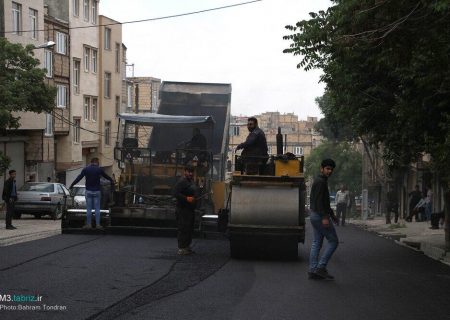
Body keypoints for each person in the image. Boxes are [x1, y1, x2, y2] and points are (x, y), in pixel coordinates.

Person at [308, 159, 338, 280]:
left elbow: (325, 202)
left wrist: (332, 215)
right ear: (322, 168)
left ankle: (313, 270)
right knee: (334, 241)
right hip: (319, 216)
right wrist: (325, 217)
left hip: (315, 215)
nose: (329, 171)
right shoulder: (321, 182)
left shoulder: (320, 180)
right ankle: (321, 267)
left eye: (331, 169)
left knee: (317, 242)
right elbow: (320, 202)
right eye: (327, 169)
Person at [69, 158, 115, 229]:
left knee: (89, 209)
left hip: (89, 191)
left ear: (91, 162)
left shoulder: (86, 169)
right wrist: (112, 181)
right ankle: (98, 225)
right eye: (98, 162)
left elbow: (79, 178)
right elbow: (106, 176)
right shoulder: (99, 169)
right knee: (97, 209)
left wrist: (72, 185)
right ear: (96, 162)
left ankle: (89, 225)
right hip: (97, 191)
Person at [173, 166, 198, 255]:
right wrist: (186, 198)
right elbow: (175, 193)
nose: (191, 174)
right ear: (185, 172)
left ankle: (187, 247)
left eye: (192, 172)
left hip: (190, 209)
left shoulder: (190, 181)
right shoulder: (182, 181)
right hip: (182, 209)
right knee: (183, 228)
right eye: (189, 171)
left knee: (189, 229)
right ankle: (181, 248)